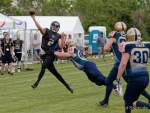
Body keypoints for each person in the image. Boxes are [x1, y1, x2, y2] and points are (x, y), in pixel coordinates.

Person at [29, 11, 73, 93]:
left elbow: (62, 46)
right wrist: (33, 18)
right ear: (52, 26)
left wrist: (64, 38)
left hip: (52, 54)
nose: (56, 28)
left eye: (57, 26)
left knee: (43, 66)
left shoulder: (58, 35)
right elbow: (39, 28)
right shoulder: (47, 31)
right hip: (46, 55)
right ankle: (68, 86)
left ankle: (36, 83)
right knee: (56, 74)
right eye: (55, 26)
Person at [54, 41, 120, 94]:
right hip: (86, 67)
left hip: (87, 65)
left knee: (100, 78)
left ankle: (115, 85)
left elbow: (64, 54)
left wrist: (54, 52)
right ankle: (113, 86)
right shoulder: (75, 50)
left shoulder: (72, 49)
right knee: (98, 82)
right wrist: (57, 54)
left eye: (66, 45)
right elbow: (63, 57)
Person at [116, 27, 150, 113]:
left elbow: (123, 64)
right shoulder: (146, 45)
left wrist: (118, 78)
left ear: (129, 37)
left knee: (128, 101)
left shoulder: (129, 46)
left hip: (135, 77)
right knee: (132, 101)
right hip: (145, 77)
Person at [99, 21, 127, 106]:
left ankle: (106, 100)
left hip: (119, 63)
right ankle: (105, 101)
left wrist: (110, 40)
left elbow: (106, 48)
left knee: (108, 81)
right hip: (127, 61)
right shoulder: (127, 35)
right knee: (131, 81)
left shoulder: (114, 35)